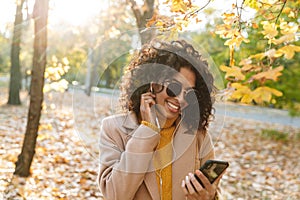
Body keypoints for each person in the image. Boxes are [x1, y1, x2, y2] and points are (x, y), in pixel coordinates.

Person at [97, 39, 226, 200]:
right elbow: (115, 195)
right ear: (153, 83)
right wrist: (147, 130)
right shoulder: (113, 129)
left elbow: (213, 194)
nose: (180, 99)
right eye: (174, 87)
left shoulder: (199, 136)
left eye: (189, 93)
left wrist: (208, 196)